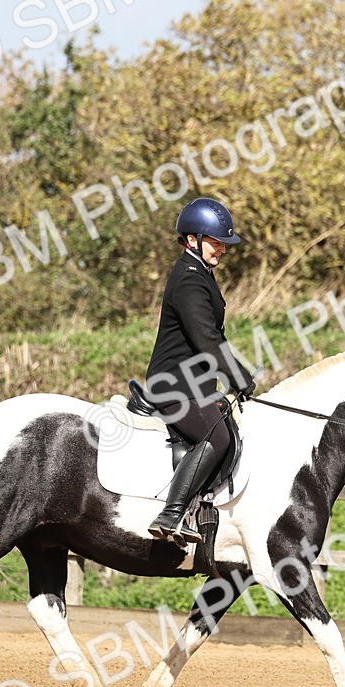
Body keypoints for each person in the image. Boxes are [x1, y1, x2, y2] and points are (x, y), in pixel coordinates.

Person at [144, 198, 256, 543]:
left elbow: (211, 340)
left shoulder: (200, 273)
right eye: (216, 242)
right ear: (192, 239)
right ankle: (172, 513)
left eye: (224, 243)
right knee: (217, 436)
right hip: (173, 385)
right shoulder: (189, 280)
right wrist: (239, 379)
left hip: (193, 384)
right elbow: (207, 339)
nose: (223, 249)